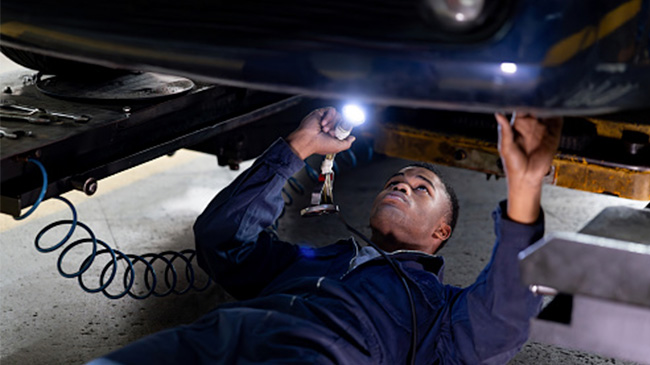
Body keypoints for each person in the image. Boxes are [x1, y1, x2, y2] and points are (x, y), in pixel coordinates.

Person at [94, 107, 563, 364]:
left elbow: (502, 320)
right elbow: (222, 238)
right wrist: (299, 146)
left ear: (441, 231)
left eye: (422, 188)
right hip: (211, 341)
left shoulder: (438, 311)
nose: (401, 184)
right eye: (396, 181)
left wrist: (524, 187)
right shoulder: (307, 261)